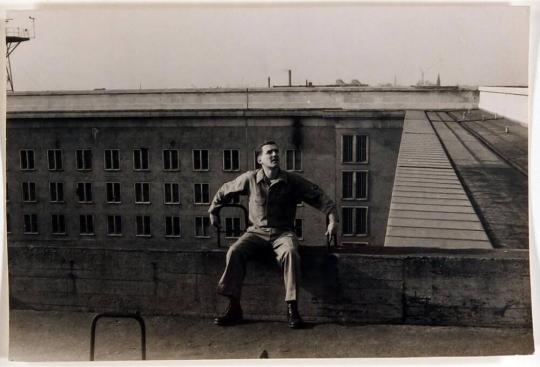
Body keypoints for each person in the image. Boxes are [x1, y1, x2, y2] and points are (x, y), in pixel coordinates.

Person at [208, 141, 338, 329]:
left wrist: (332, 220)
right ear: (260, 159)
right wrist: (213, 211)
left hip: (283, 234)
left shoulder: (292, 181)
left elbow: (321, 198)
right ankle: (234, 307)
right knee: (234, 251)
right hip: (255, 233)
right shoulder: (250, 178)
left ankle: (292, 308)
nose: (274, 155)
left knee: (291, 253)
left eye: (277, 152)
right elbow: (225, 190)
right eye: (269, 152)